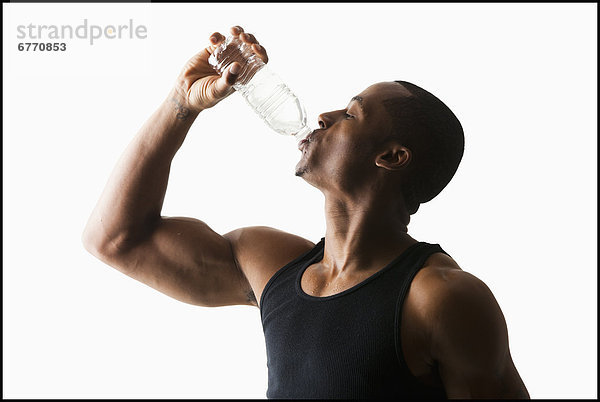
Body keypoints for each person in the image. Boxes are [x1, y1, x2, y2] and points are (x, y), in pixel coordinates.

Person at [82, 25, 530, 399]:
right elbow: (115, 239)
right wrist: (182, 103)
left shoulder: (440, 299)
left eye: (352, 115)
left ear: (391, 157)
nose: (324, 115)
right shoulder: (271, 265)